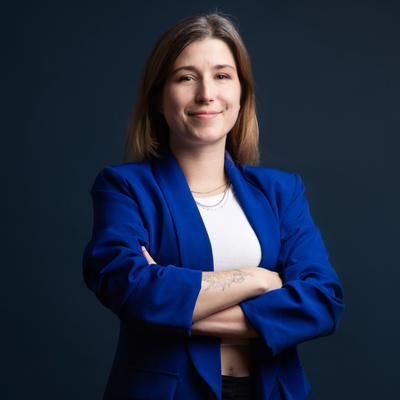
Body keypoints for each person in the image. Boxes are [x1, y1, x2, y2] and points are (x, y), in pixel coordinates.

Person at [82, 12, 345, 400]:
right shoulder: (125, 187)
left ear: (242, 93)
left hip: (270, 390)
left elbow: (322, 302)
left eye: (222, 75)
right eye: (185, 78)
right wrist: (258, 280)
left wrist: (172, 302)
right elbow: (127, 287)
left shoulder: (281, 191)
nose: (206, 93)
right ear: (158, 97)